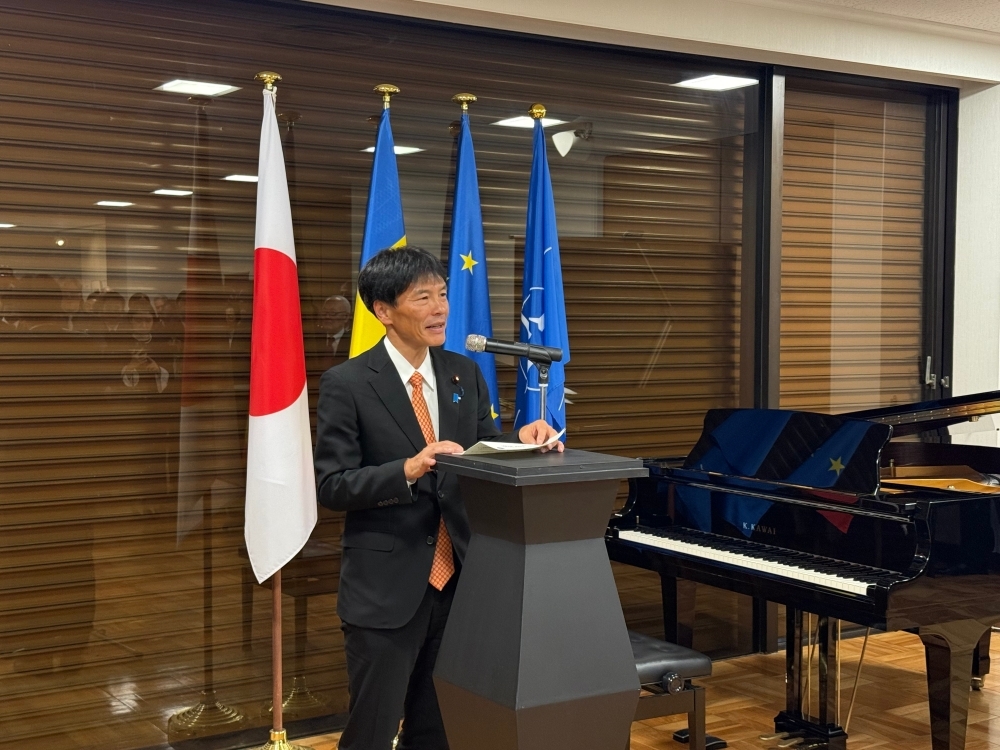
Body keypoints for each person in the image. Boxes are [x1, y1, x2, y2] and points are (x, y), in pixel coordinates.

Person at [314, 246, 562, 750]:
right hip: (386, 590)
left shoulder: (462, 373)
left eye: (443, 294)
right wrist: (405, 470)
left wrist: (525, 442)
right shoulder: (348, 384)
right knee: (371, 732)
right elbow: (332, 486)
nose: (440, 308)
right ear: (384, 310)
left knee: (440, 731)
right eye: (423, 297)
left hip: (460, 587)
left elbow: (482, 455)